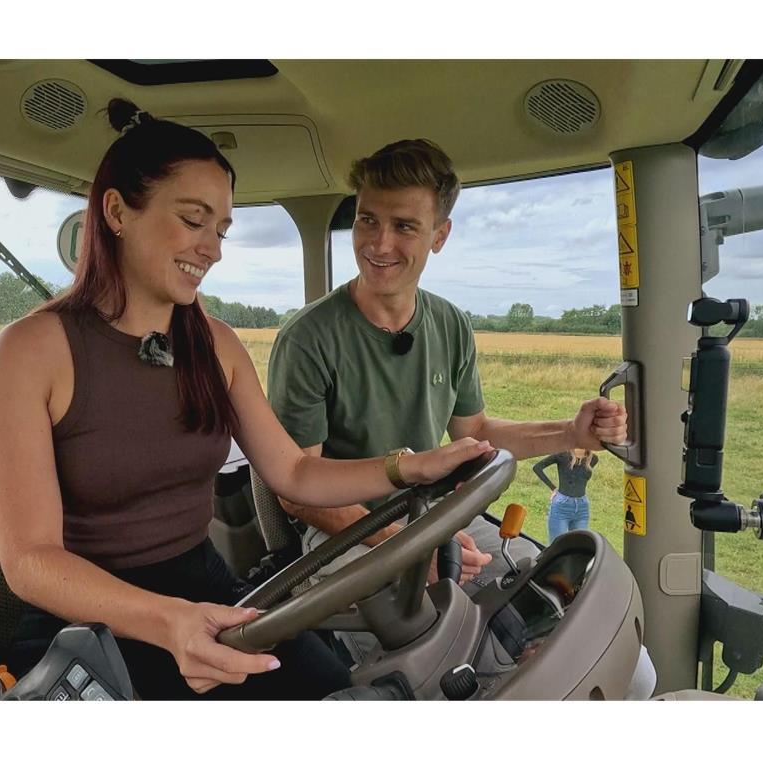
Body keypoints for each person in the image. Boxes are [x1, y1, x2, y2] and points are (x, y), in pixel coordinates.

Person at [0, 100, 494, 701]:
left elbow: (295, 470)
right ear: (117, 211)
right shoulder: (29, 350)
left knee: (331, 690)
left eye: (220, 230)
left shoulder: (215, 344)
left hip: (204, 588)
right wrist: (166, 620)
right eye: (194, 221)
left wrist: (403, 467)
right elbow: (29, 559)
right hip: (85, 617)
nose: (212, 249)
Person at [268, 138, 654, 698]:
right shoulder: (308, 340)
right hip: (348, 533)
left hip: (437, 518)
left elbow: (474, 435)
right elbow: (298, 490)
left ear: (439, 236)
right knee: (436, 663)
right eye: (367, 220)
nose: (378, 244)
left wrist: (569, 433)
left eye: (404, 226)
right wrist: (406, 547)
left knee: (556, 609)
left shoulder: (449, 325)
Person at [534, 449, 600, 542]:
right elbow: (537, 467)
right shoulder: (562, 455)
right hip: (562, 506)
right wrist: (553, 488)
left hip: (582, 507)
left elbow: (580, 479)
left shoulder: (593, 459)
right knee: (557, 546)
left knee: (579, 546)